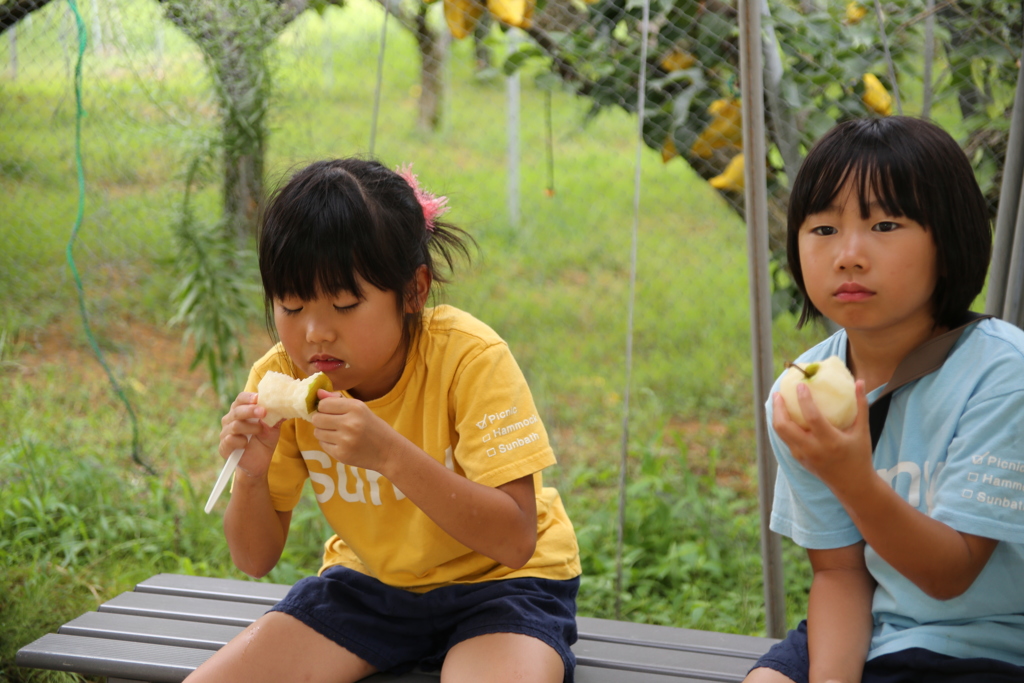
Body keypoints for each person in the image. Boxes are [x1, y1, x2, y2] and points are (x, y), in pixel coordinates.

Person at [186, 159, 581, 683]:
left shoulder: (468, 359)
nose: (315, 333)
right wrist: (252, 474)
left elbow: (515, 538)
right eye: (291, 304)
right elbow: (255, 558)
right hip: (372, 585)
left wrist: (390, 454)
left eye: (345, 305)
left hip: (503, 584)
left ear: (414, 292)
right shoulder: (277, 375)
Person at [744, 117, 1024, 683]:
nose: (848, 255)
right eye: (822, 230)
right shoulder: (799, 394)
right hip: (871, 625)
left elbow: (951, 576)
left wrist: (851, 477)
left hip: (985, 643)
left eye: (886, 224)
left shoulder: (1003, 375)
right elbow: (841, 575)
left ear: (950, 239)